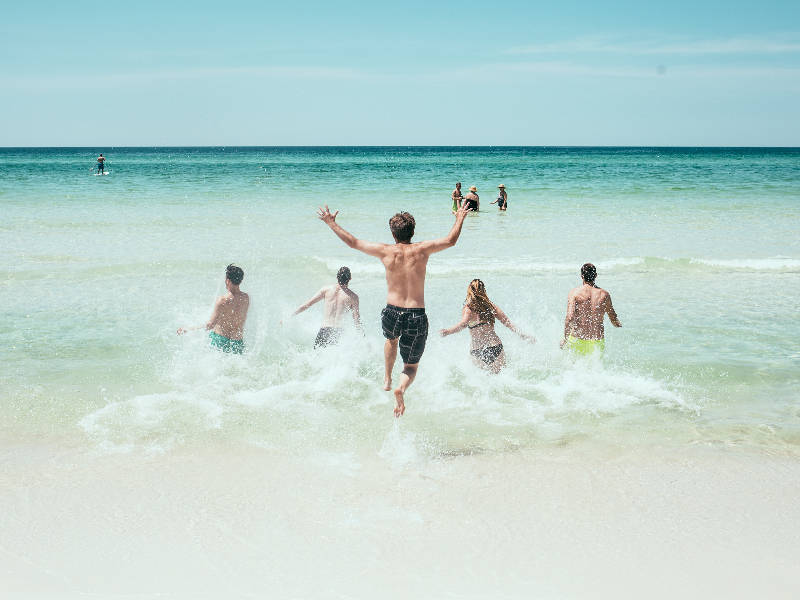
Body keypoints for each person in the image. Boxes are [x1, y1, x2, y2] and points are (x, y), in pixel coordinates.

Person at [317, 203, 472, 417]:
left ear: (392, 233)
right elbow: (450, 240)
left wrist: (331, 223)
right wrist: (460, 217)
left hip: (392, 312)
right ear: (413, 232)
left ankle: (387, 379)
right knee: (411, 366)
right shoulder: (422, 249)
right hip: (416, 314)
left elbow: (352, 242)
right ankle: (402, 388)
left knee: (391, 340)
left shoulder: (385, 251)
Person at [440, 279, 535, 373]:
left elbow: (463, 324)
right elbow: (508, 323)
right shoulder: (491, 307)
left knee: (481, 383)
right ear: (484, 290)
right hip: (496, 346)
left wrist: (448, 331)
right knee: (501, 379)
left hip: (478, 350)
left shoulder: (468, 308)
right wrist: (523, 336)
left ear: (469, 291)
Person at [280, 267, 362, 347]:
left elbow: (309, 303)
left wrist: (289, 317)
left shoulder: (326, 289)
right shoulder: (353, 297)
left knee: (316, 358)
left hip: (324, 331)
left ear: (337, 277)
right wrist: (363, 338)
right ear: (350, 278)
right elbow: (356, 319)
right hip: (339, 333)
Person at [177, 264, 250, 354]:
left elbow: (210, 324)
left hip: (220, 340)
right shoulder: (246, 298)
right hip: (237, 342)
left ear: (228, 281)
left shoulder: (222, 300)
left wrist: (188, 329)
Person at [560, 263, 621, 356]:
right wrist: (617, 324)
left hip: (577, 339)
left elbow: (570, 317)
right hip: (596, 341)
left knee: (574, 368)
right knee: (595, 369)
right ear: (595, 275)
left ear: (581, 276)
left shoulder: (574, 293)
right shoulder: (604, 294)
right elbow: (613, 318)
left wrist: (565, 339)